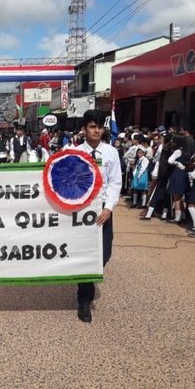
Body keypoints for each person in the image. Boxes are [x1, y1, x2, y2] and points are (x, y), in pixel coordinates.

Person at [72, 110, 122, 323]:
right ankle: (84, 299)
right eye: (92, 126)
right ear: (85, 128)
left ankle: (86, 282)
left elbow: (115, 182)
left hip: (102, 209)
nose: (97, 130)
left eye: (100, 127)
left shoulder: (111, 153)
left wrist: (109, 207)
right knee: (85, 253)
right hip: (81, 209)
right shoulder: (73, 152)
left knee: (104, 253)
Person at [167, 135, 192, 223]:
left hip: (177, 173)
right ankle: (183, 216)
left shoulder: (178, 151)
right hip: (184, 173)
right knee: (180, 197)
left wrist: (177, 163)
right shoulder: (187, 151)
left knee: (176, 197)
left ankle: (177, 218)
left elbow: (170, 161)